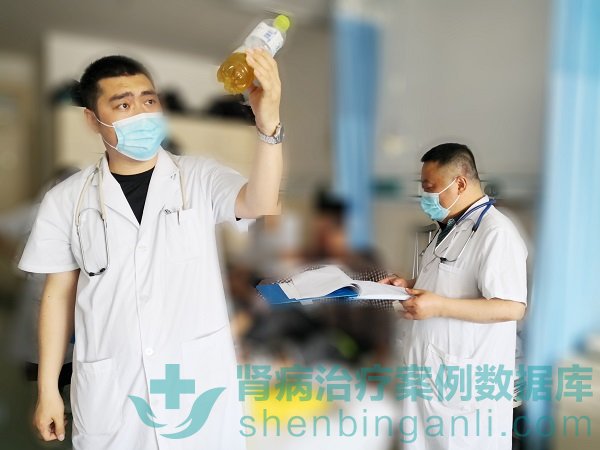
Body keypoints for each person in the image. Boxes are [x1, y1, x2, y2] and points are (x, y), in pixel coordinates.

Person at [18, 52, 283, 449]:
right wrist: (48, 390)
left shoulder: (198, 177)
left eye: (149, 100)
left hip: (197, 387)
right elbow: (57, 296)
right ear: (92, 119)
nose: (142, 113)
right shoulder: (65, 200)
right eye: (123, 105)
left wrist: (268, 124)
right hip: (114, 396)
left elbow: (260, 201)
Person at [380, 143, 527, 450]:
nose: (425, 196)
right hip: (432, 378)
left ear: (459, 183)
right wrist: (408, 284)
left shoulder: (496, 232)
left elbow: (512, 307)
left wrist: (439, 306)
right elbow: (451, 281)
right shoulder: (452, 227)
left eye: (430, 187)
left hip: (464, 391)